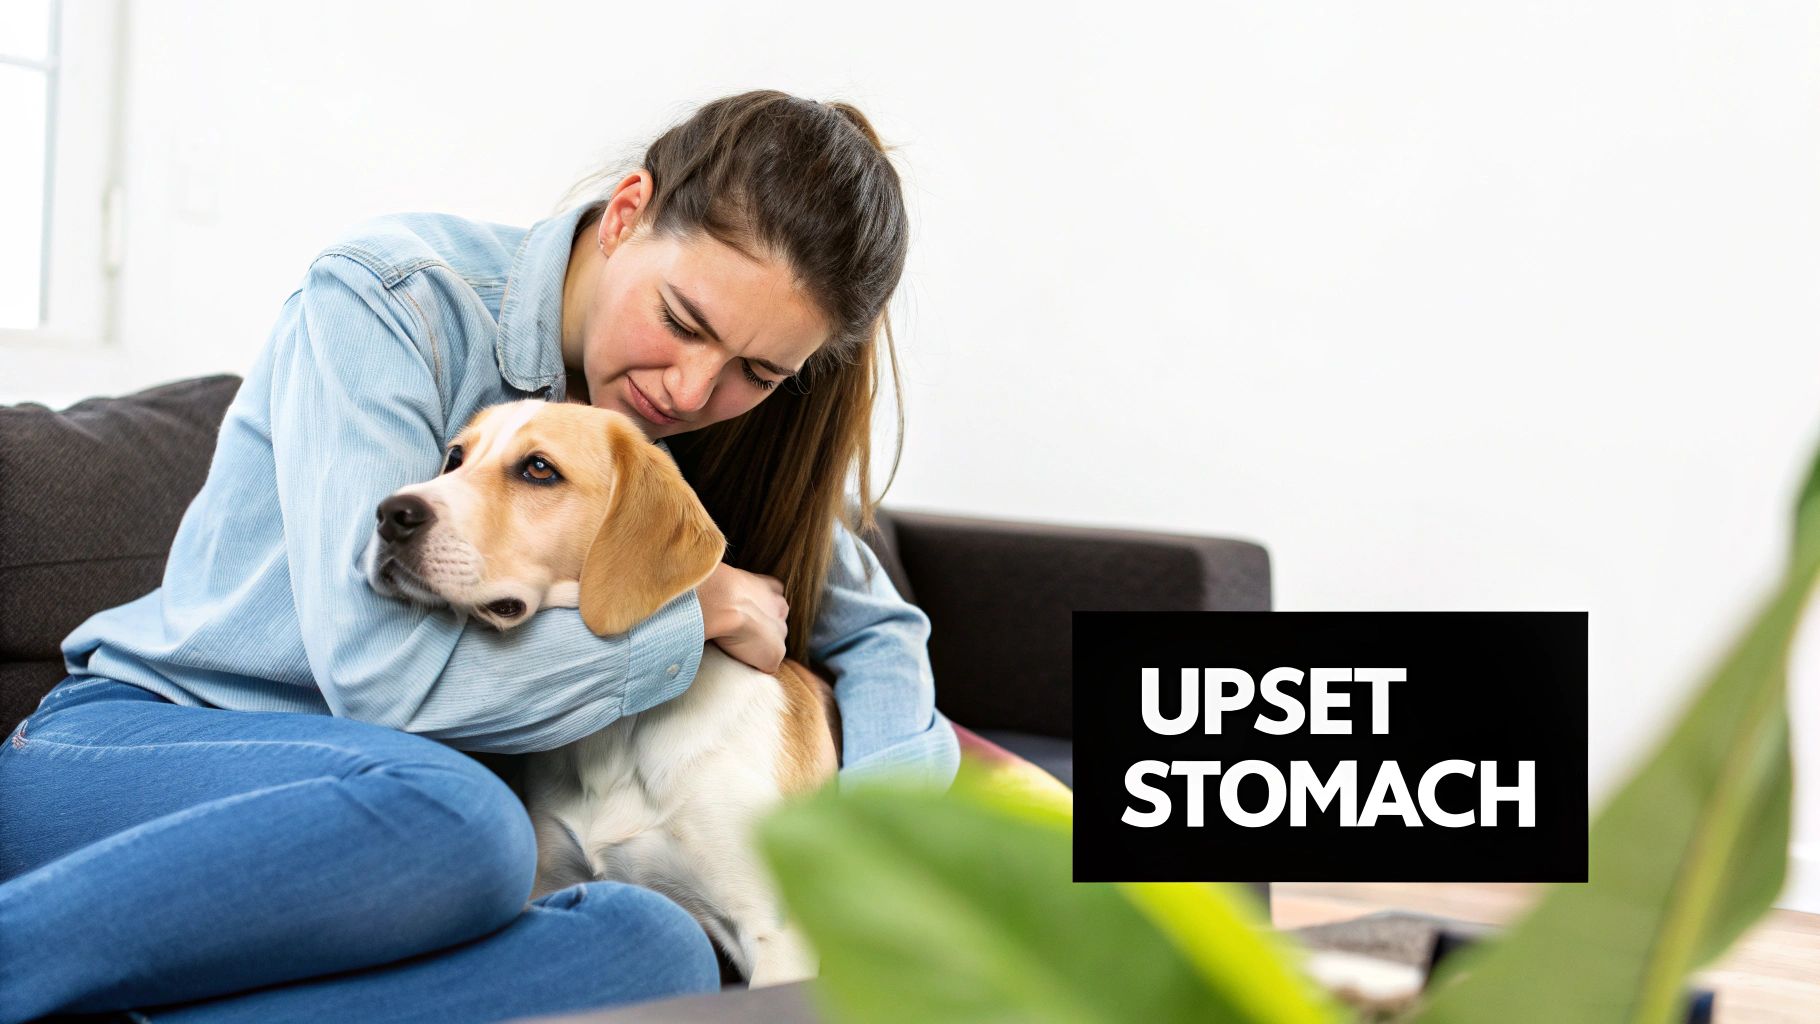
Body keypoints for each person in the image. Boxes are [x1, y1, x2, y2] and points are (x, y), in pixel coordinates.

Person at [0, 89, 960, 1023]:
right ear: (627, 213)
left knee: (654, 950)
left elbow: (879, 634)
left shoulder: (676, 432)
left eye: (758, 371)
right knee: (469, 816)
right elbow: (381, 685)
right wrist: (689, 609)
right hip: (146, 750)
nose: (695, 386)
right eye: (682, 319)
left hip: (382, 856)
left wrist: (869, 860)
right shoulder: (394, 299)